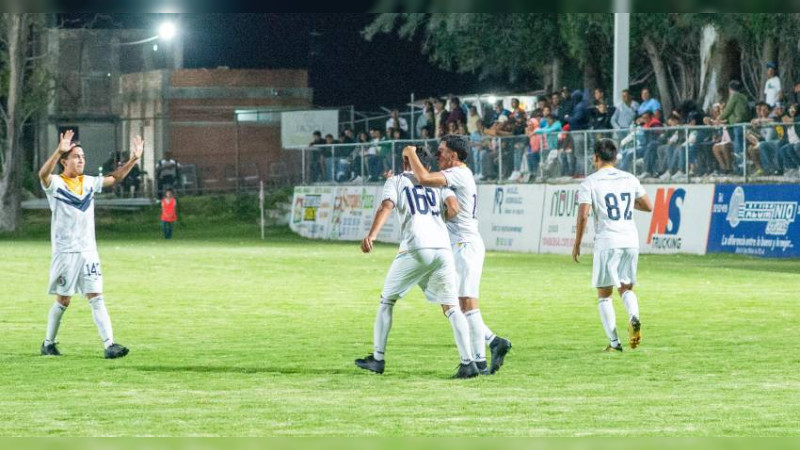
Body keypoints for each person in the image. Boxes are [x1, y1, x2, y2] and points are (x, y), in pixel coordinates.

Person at [355, 146, 479, 379]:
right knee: (452, 308)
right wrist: (437, 219)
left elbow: (386, 207)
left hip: (416, 247)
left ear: (405, 163)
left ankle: (378, 359)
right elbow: (454, 208)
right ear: (427, 166)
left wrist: (372, 235)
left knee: (386, 301)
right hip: (442, 249)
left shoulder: (397, 180)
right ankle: (468, 362)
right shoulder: (438, 184)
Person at [403, 135, 512, 375]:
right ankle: (491, 346)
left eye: (441, 151)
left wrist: (411, 153)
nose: (437, 155)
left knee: (466, 303)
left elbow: (424, 178)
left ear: (453, 155)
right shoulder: (459, 174)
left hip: (465, 245)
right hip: (460, 245)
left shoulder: (458, 173)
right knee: (461, 304)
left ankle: (480, 361)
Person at [37, 129, 143, 359]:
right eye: (76, 156)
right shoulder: (55, 183)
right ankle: (48, 343)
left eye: (83, 156)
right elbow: (42, 174)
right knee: (63, 300)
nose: (81, 159)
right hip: (65, 253)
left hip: (88, 252)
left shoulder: (89, 183)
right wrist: (58, 150)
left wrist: (134, 159)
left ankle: (109, 345)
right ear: (64, 161)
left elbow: (115, 178)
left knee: (96, 295)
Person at [572, 139, 653, 352]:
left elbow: (583, 215)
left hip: (608, 241)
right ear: (616, 158)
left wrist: (577, 243)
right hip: (630, 240)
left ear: (595, 157)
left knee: (604, 293)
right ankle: (634, 316)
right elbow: (648, 206)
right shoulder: (629, 178)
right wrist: (626, 202)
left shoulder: (590, 182)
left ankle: (615, 343)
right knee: (626, 288)